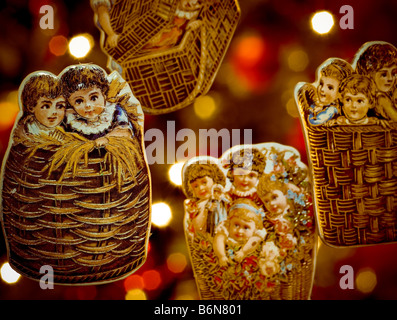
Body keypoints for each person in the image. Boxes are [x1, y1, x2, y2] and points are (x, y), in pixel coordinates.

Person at [60, 64, 134, 147]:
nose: (88, 105)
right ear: (70, 104)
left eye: (94, 98)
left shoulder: (114, 111)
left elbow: (125, 131)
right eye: (79, 101)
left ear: (104, 95)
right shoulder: (69, 119)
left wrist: (107, 139)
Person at [213, 198, 266, 267]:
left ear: (255, 228)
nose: (240, 231)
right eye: (236, 225)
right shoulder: (225, 229)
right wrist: (221, 256)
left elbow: (254, 241)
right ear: (230, 223)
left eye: (246, 228)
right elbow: (218, 239)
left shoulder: (256, 234)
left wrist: (243, 252)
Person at [182, 160, 228, 237]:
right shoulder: (198, 206)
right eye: (196, 186)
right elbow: (198, 227)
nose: (201, 188)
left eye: (204, 182)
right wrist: (206, 210)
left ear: (215, 180)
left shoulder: (222, 197)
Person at [15, 72, 66, 140]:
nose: (54, 112)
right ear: (31, 106)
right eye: (46, 106)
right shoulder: (24, 136)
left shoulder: (64, 135)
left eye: (60, 106)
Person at [354, 41, 397, 121]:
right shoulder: (381, 99)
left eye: (394, 73)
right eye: (384, 75)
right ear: (369, 74)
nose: (390, 78)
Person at [308, 58, 353, 125]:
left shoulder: (331, 110)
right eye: (321, 84)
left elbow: (315, 121)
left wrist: (313, 112)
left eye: (330, 88)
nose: (322, 89)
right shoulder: (320, 104)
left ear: (340, 93)